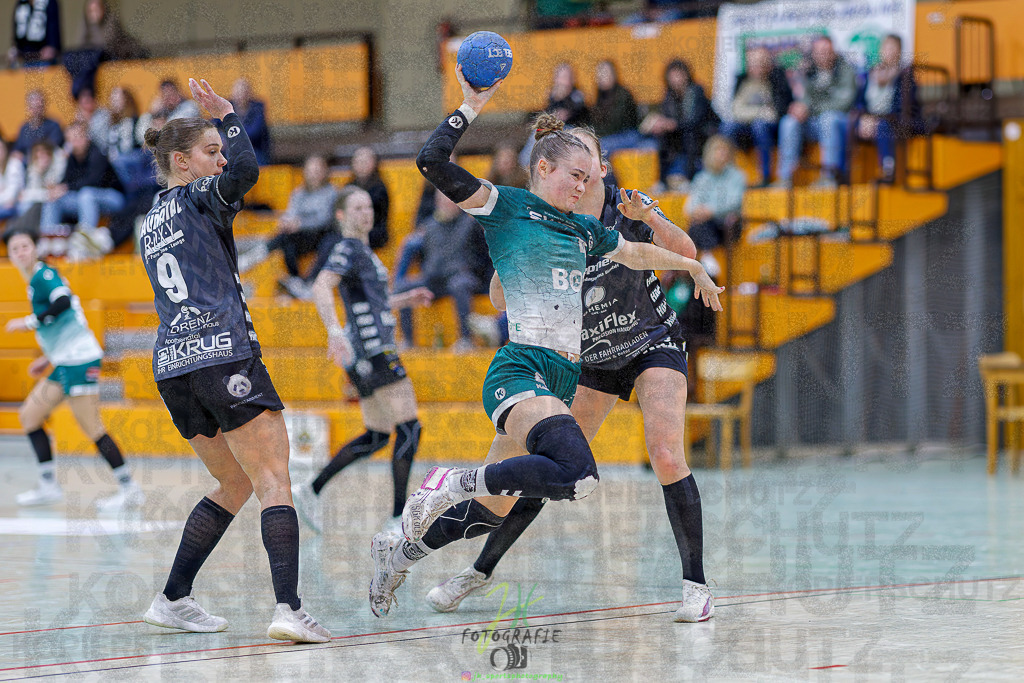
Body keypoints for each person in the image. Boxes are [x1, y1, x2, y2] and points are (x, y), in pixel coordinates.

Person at [366, 65, 723, 618]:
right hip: (570, 363)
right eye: (575, 170)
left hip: (647, 341)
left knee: (638, 458)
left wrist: (676, 250)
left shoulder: (609, 217)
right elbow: (497, 291)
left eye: (591, 171)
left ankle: (695, 586)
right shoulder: (523, 211)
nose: (584, 181)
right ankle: (469, 561)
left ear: (602, 168)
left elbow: (666, 250)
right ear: (548, 167)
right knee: (556, 474)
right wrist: (510, 260)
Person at [137, 78, 329, 643]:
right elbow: (247, 173)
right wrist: (229, 117)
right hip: (223, 354)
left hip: (174, 365)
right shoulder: (198, 197)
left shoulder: (149, 220)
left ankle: (173, 597)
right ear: (181, 162)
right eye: (210, 152)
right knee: (273, 478)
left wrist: (220, 130)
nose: (221, 160)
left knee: (234, 484)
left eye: (220, 149)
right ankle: (289, 609)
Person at [291, 186, 434, 533]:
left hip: (365, 355)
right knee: (409, 428)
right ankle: (399, 517)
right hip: (373, 350)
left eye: (368, 206)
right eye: (356, 207)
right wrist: (333, 331)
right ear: (341, 215)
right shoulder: (348, 247)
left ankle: (311, 490)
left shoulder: (364, 252)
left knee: (378, 435)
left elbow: (374, 302)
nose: (365, 213)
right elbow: (321, 286)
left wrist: (404, 300)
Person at [3, 226, 144, 511]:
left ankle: (130, 488)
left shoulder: (44, 275)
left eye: (25, 246)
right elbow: (67, 319)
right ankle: (47, 485)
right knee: (30, 415)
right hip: (65, 359)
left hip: (80, 361)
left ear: (35, 248)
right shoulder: (35, 279)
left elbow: (64, 303)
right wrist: (48, 356)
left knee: (91, 427)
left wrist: (28, 322)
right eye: (14, 248)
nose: (20, 252)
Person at [394, 189, 490, 352]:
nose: (447, 204)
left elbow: (483, 256)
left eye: (450, 200)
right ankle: (408, 342)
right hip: (434, 280)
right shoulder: (429, 225)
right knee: (403, 287)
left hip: (462, 276)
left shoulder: (470, 224)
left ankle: (466, 340)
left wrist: (473, 272)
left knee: (459, 284)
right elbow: (422, 256)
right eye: (443, 201)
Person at [236, 155, 337, 296]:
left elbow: (323, 219)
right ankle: (297, 281)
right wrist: (286, 222)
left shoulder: (331, 192)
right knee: (286, 238)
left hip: (320, 235)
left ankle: (257, 255)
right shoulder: (299, 193)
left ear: (324, 172)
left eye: (317, 170)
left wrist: (300, 223)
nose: (314, 174)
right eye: (311, 170)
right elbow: (291, 213)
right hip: (299, 236)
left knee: (287, 236)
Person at [776, 36, 857, 187]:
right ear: (813, 54)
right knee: (789, 121)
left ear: (834, 52)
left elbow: (844, 103)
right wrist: (800, 108)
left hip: (841, 122)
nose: (824, 54)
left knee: (829, 118)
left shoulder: (845, 69)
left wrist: (811, 108)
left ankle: (829, 177)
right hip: (816, 122)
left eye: (827, 50)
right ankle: (785, 178)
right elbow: (805, 99)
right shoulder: (809, 72)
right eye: (820, 51)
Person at [40, 121, 125, 260]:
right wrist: (57, 189)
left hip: (114, 197)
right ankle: (48, 242)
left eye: (78, 137)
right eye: (71, 139)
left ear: (87, 137)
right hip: (84, 199)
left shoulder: (97, 153)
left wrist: (65, 187)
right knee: (54, 198)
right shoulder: (72, 158)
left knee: (87, 194)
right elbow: (67, 181)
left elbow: (94, 181)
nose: (75, 142)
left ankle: (84, 243)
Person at [719, 46, 793, 186]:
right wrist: (758, 113)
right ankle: (728, 175)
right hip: (747, 125)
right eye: (753, 63)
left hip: (771, 128)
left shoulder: (777, 78)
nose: (757, 67)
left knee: (760, 126)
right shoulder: (742, 80)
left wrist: (751, 114)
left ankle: (765, 176)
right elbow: (736, 111)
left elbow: (774, 113)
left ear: (768, 64)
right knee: (727, 127)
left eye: (761, 63)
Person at [853, 34, 921, 183]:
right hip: (871, 119)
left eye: (892, 47)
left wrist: (876, 120)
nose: (888, 51)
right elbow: (859, 102)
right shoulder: (870, 74)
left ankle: (888, 172)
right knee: (848, 124)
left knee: (883, 126)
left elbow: (903, 107)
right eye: (886, 47)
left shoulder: (905, 77)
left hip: (895, 120)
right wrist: (863, 117)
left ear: (899, 51)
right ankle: (843, 174)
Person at [640, 59, 716, 189]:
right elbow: (667, 118)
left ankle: (689, 178)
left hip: (702, 131)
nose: (676, 79)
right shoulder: (668, 96)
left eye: (679, 75)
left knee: (690, 135)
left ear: (686, 75)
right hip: (680, 133)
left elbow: (696, 120)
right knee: (662, 136)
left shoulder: (697, 91)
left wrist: (673, 124)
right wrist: (661, 124)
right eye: (673, 76)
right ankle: (662, 181)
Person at [684, 135, 747, 278]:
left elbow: (734, 203)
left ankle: (705, 258)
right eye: (718, 150)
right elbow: (689, 206)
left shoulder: (737, 176)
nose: (722, 155)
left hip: (727, 225)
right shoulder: (701, 178)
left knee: (698, 226)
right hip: (706, 225)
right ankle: (707, 258)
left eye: (725, 151)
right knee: (696, 225)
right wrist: (698, 211)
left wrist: (710, 211)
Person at [63, 0, 146, 97]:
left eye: (96, 9)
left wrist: (95, 26)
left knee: (93, 55)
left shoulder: (112, 22)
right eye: (91, 10)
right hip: (93, 58)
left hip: (112, 55)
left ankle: (82, 89)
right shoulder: (86, 26)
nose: (94, 13)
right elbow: (81, 46)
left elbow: (105, 45)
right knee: (70, 56)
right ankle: (81, 86)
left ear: (103, 9)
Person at [591, 60, 643, 155]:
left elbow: (615, 124)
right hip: (611, 136)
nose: (600, 77)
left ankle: (608, 170)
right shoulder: (600, 96)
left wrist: (597, 136)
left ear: (613, 75)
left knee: (602, 147)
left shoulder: (623, 94)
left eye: (604, 73)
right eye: (598, 74)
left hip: (628, 134)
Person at [135, 80, 201, 147]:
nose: (169, 97)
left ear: (179, 92)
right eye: (165, 94)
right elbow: (140, 138)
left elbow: (174, 132)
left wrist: (159, 127)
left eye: (172, 92)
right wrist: (151, 113)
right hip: (159, 149)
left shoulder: (190, 106)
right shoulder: (159, 111)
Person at [348, 146, 389, 250]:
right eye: (358, 161)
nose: (361, 165)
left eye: (365, 161)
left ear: (374, 163)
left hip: (374, 231)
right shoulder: (348, 186)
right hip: (351, 229)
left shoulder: (380, 188)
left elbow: (379, 218)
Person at [12, 91, 64, 160]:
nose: (37, 111)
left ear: (44, 107)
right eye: (33, 107)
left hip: (47, 162)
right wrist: (16, 154)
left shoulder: (53, 125)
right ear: (28, 108)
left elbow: (51, 147)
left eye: (39, 107)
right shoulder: (24, 128)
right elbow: (17, 149)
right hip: (27, 164)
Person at [9, 0, 61, 68]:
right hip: (24, 59)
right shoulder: (21, 3)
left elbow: (53, 27)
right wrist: (15, 48)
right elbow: (18, 28)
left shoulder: (50, 2)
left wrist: (52, 46)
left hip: (44, 60)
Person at [230, 79, 270, 165]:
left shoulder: (258, 108)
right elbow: (215, 124)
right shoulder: (227, 106)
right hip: (231, 150)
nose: (240, 96)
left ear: (249, 94)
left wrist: (230, 138)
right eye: (237, 92)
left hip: (254, 149)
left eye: (243, 92)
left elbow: (254, 132)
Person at [0, 138, 26, 220]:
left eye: (1, 148)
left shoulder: (14, 164)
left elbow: (12, 194)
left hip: (17, 204)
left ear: (6, 150)